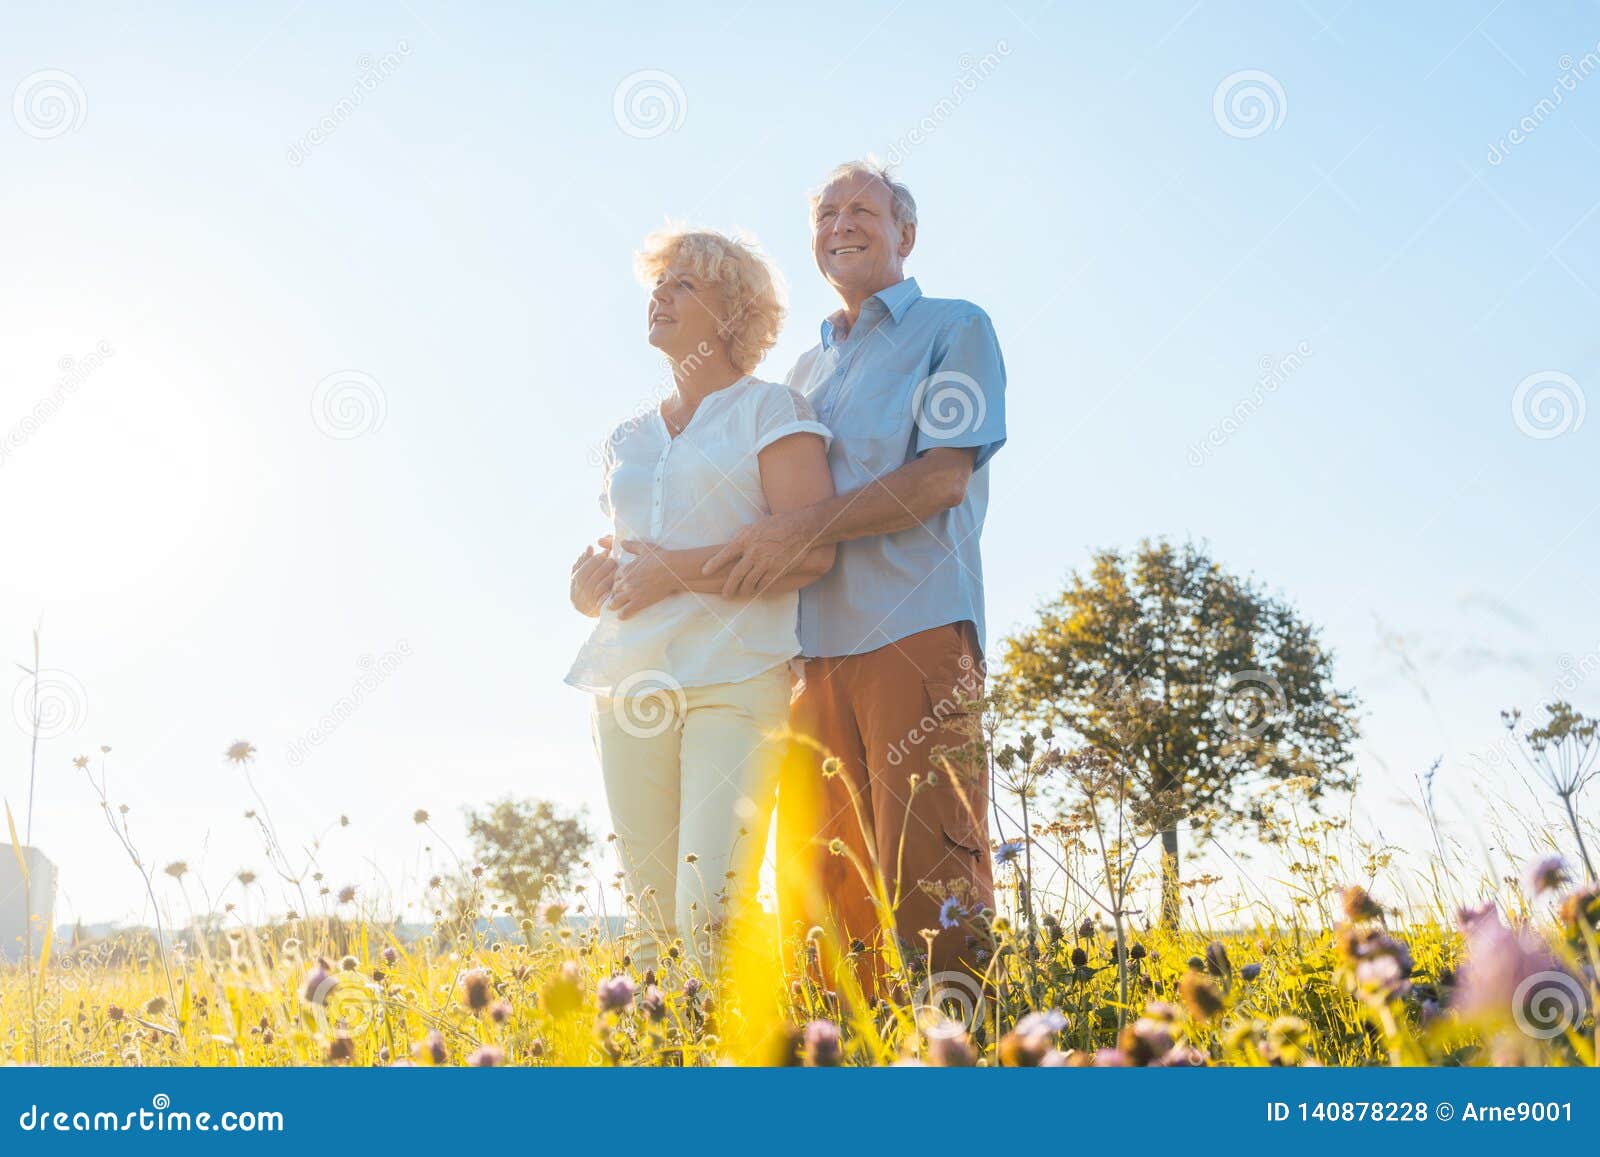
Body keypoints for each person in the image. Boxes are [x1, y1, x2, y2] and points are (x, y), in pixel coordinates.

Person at [701, 161, 1008, 993]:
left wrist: (800, 525)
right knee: (821, 894)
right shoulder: (802, 373)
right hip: (804, 660)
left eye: (863, 208)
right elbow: (749, 509)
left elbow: (941, 479)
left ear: (905, 233)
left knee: (930, 877)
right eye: (827, 211)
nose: (842, 222)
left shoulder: (954, 328)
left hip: (915, 635)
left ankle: (961, 1059)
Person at [566, 227, 835, 969]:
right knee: (651, 922)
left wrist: (675, 573)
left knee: (710, 912)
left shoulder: (770, 411)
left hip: (736, 679)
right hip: (628, 683)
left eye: (685, 284)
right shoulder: (629, 436)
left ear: (733, 312)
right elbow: (625, 554)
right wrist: (587, 583)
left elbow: (813, 548)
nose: (661, 295)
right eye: (660, 282)